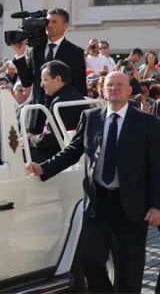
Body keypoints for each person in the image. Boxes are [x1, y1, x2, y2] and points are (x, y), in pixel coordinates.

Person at [25, 72, 160, 293]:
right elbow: (72, 151)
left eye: (119, 85)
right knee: (90, 259)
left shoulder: (147, 122)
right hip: (98, 202)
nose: (114, 88)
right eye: (109, 85)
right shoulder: (90, 117)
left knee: (130, 267)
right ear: (102, 91)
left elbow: (156, 165)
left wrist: (156, 205)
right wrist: (44, 168)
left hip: (133, 205)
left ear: (129, 91)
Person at [12, 8, 87, 135]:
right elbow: (27, 82)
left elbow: (79, 86)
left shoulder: (75, 52)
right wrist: (20, 55)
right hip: (35, 116)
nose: (49, 25)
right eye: (47, 21)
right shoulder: (34, 49)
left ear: (65, 26)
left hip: (61, 116)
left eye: (54, 21)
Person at [28, 60, 87, 163]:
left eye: (45, 80)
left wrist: (29, 140)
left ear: (58, 79)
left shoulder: (60, 101)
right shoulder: (77, 95)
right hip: (76, 150)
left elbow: (52, 139)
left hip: (62, 155)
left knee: (22, 151)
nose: (41, 84)